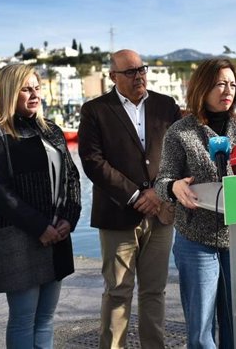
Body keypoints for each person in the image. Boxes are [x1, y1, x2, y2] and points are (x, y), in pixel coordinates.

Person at [78, 49, 181, 349]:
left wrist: (158, 192)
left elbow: (178, 154)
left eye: (142, 69)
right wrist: (136, 195)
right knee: (118, 291)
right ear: (113, 76)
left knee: (154, 291)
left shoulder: (166, 105)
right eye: (130, 72)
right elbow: (93, 162)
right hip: (117, 214)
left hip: (161, 213)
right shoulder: (95, 110)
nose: (139, 76)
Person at [0, 63, 81, 349]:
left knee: (46, 318)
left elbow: (72, 178)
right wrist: (39, 227)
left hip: (57, 235)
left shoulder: (53, 131)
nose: (35, 94)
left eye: (37, 88)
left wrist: (68, 220)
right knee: (23, 318)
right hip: (17, 236)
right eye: (26, 89)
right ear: (11, 92)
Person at [155, 58, 236, 349]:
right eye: (221, 83)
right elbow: (162, 182)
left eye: (232, 84)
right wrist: (174, 187)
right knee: (201, 331)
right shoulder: (180, 132)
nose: (228, 90)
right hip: (197, 241)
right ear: (203, 86)